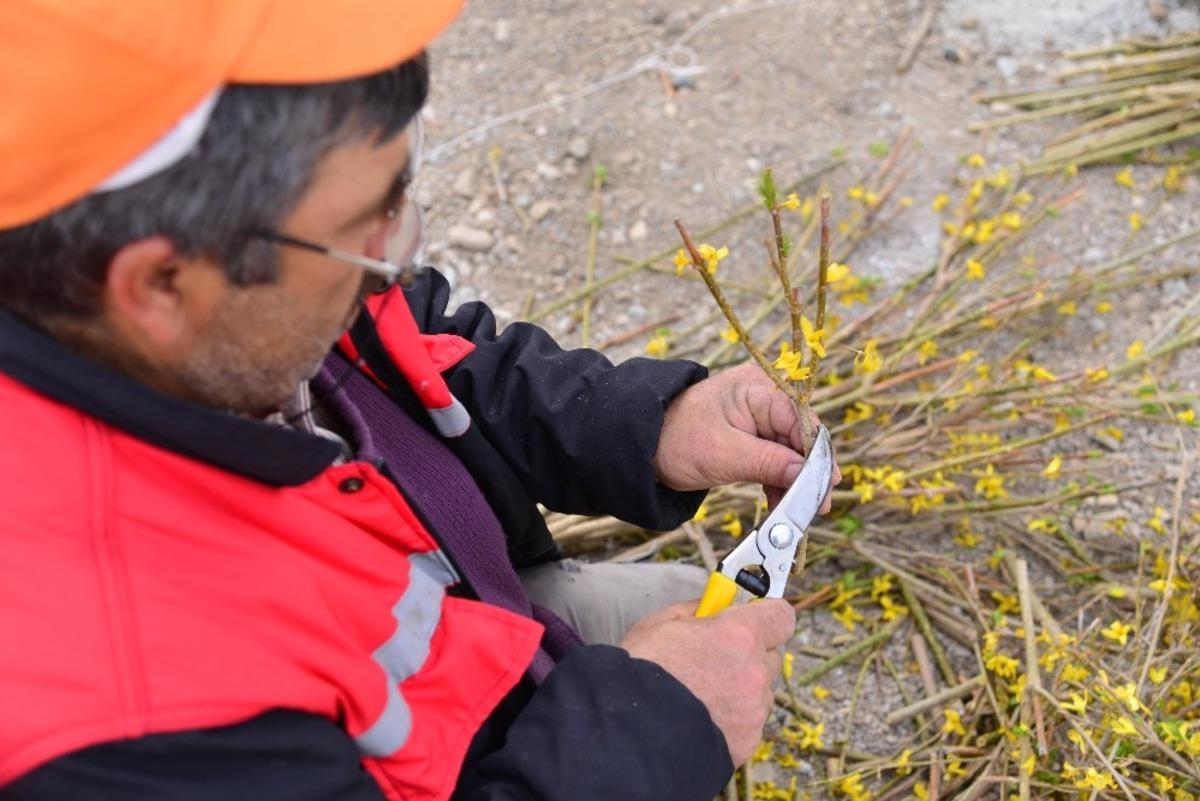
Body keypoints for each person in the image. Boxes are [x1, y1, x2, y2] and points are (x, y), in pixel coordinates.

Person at [0, 2, 839, 799]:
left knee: (689, 616)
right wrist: (648, 737)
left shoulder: (226, 298)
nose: (392, 261)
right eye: (373, 218)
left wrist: (647, 425)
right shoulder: (128, 729)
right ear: (160, 284)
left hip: (471, 638)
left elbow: (417, 350)